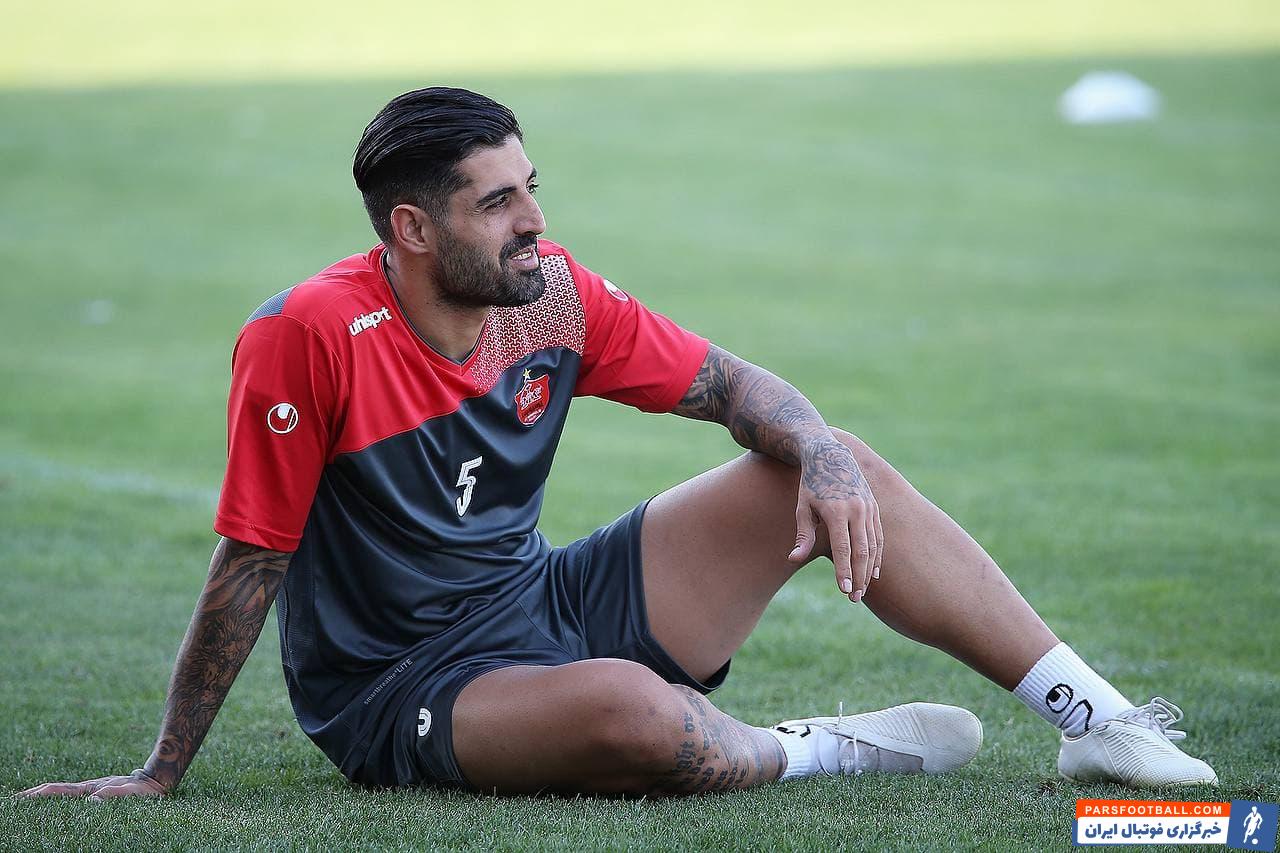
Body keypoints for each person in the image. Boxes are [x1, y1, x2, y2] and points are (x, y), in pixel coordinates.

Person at [20, 87, 1216, 800]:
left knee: (830, 454)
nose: (534, 219)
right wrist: (161, 770)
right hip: (402, 689)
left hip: (542, 600)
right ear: (413, 229)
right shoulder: (306, 337)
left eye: (530, 186)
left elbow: (736, 387)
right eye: (497, 201)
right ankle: (819, 749)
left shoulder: (551, 295)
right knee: (633, 716)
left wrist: (820, 451)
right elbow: (251, 562)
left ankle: (1095, 722)